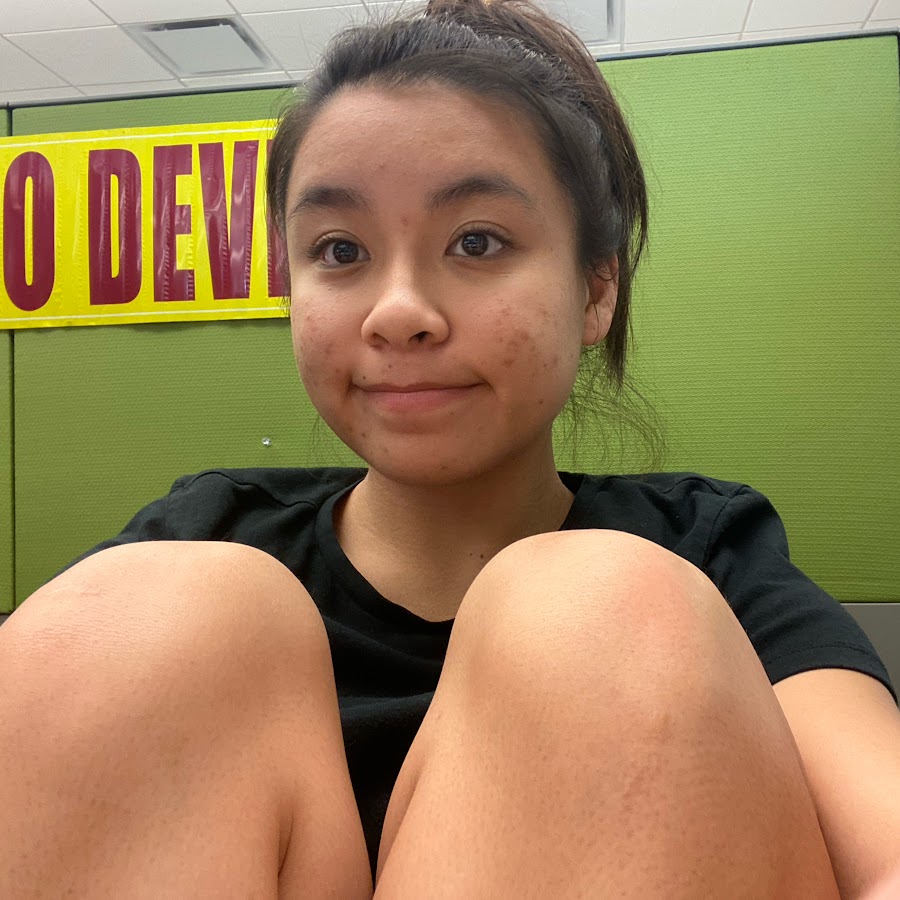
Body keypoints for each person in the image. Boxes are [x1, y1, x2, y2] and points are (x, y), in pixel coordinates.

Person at [1, 0, 899, 897]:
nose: (397, 312)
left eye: (477, 241)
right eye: (339, 250)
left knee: (599, 606)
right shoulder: (200, 534)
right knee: (147, 613)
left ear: (596, 293)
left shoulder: (705, 550)